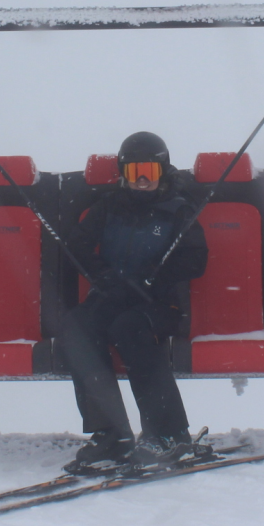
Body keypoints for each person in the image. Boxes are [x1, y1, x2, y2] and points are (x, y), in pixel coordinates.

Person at [58, 131, 209, 473]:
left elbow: (196, 259)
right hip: (113, 295)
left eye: (149, 172)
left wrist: (157, 276)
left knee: (130, 329)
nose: (142, 180)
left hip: (158, 303)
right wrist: (104, 276)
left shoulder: (178, 210)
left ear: (163, 171)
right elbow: (76, 247)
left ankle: (169, 434)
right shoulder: (109, 207)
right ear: (123, 174)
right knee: (77, 328)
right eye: (133, 172)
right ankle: (112, 434)